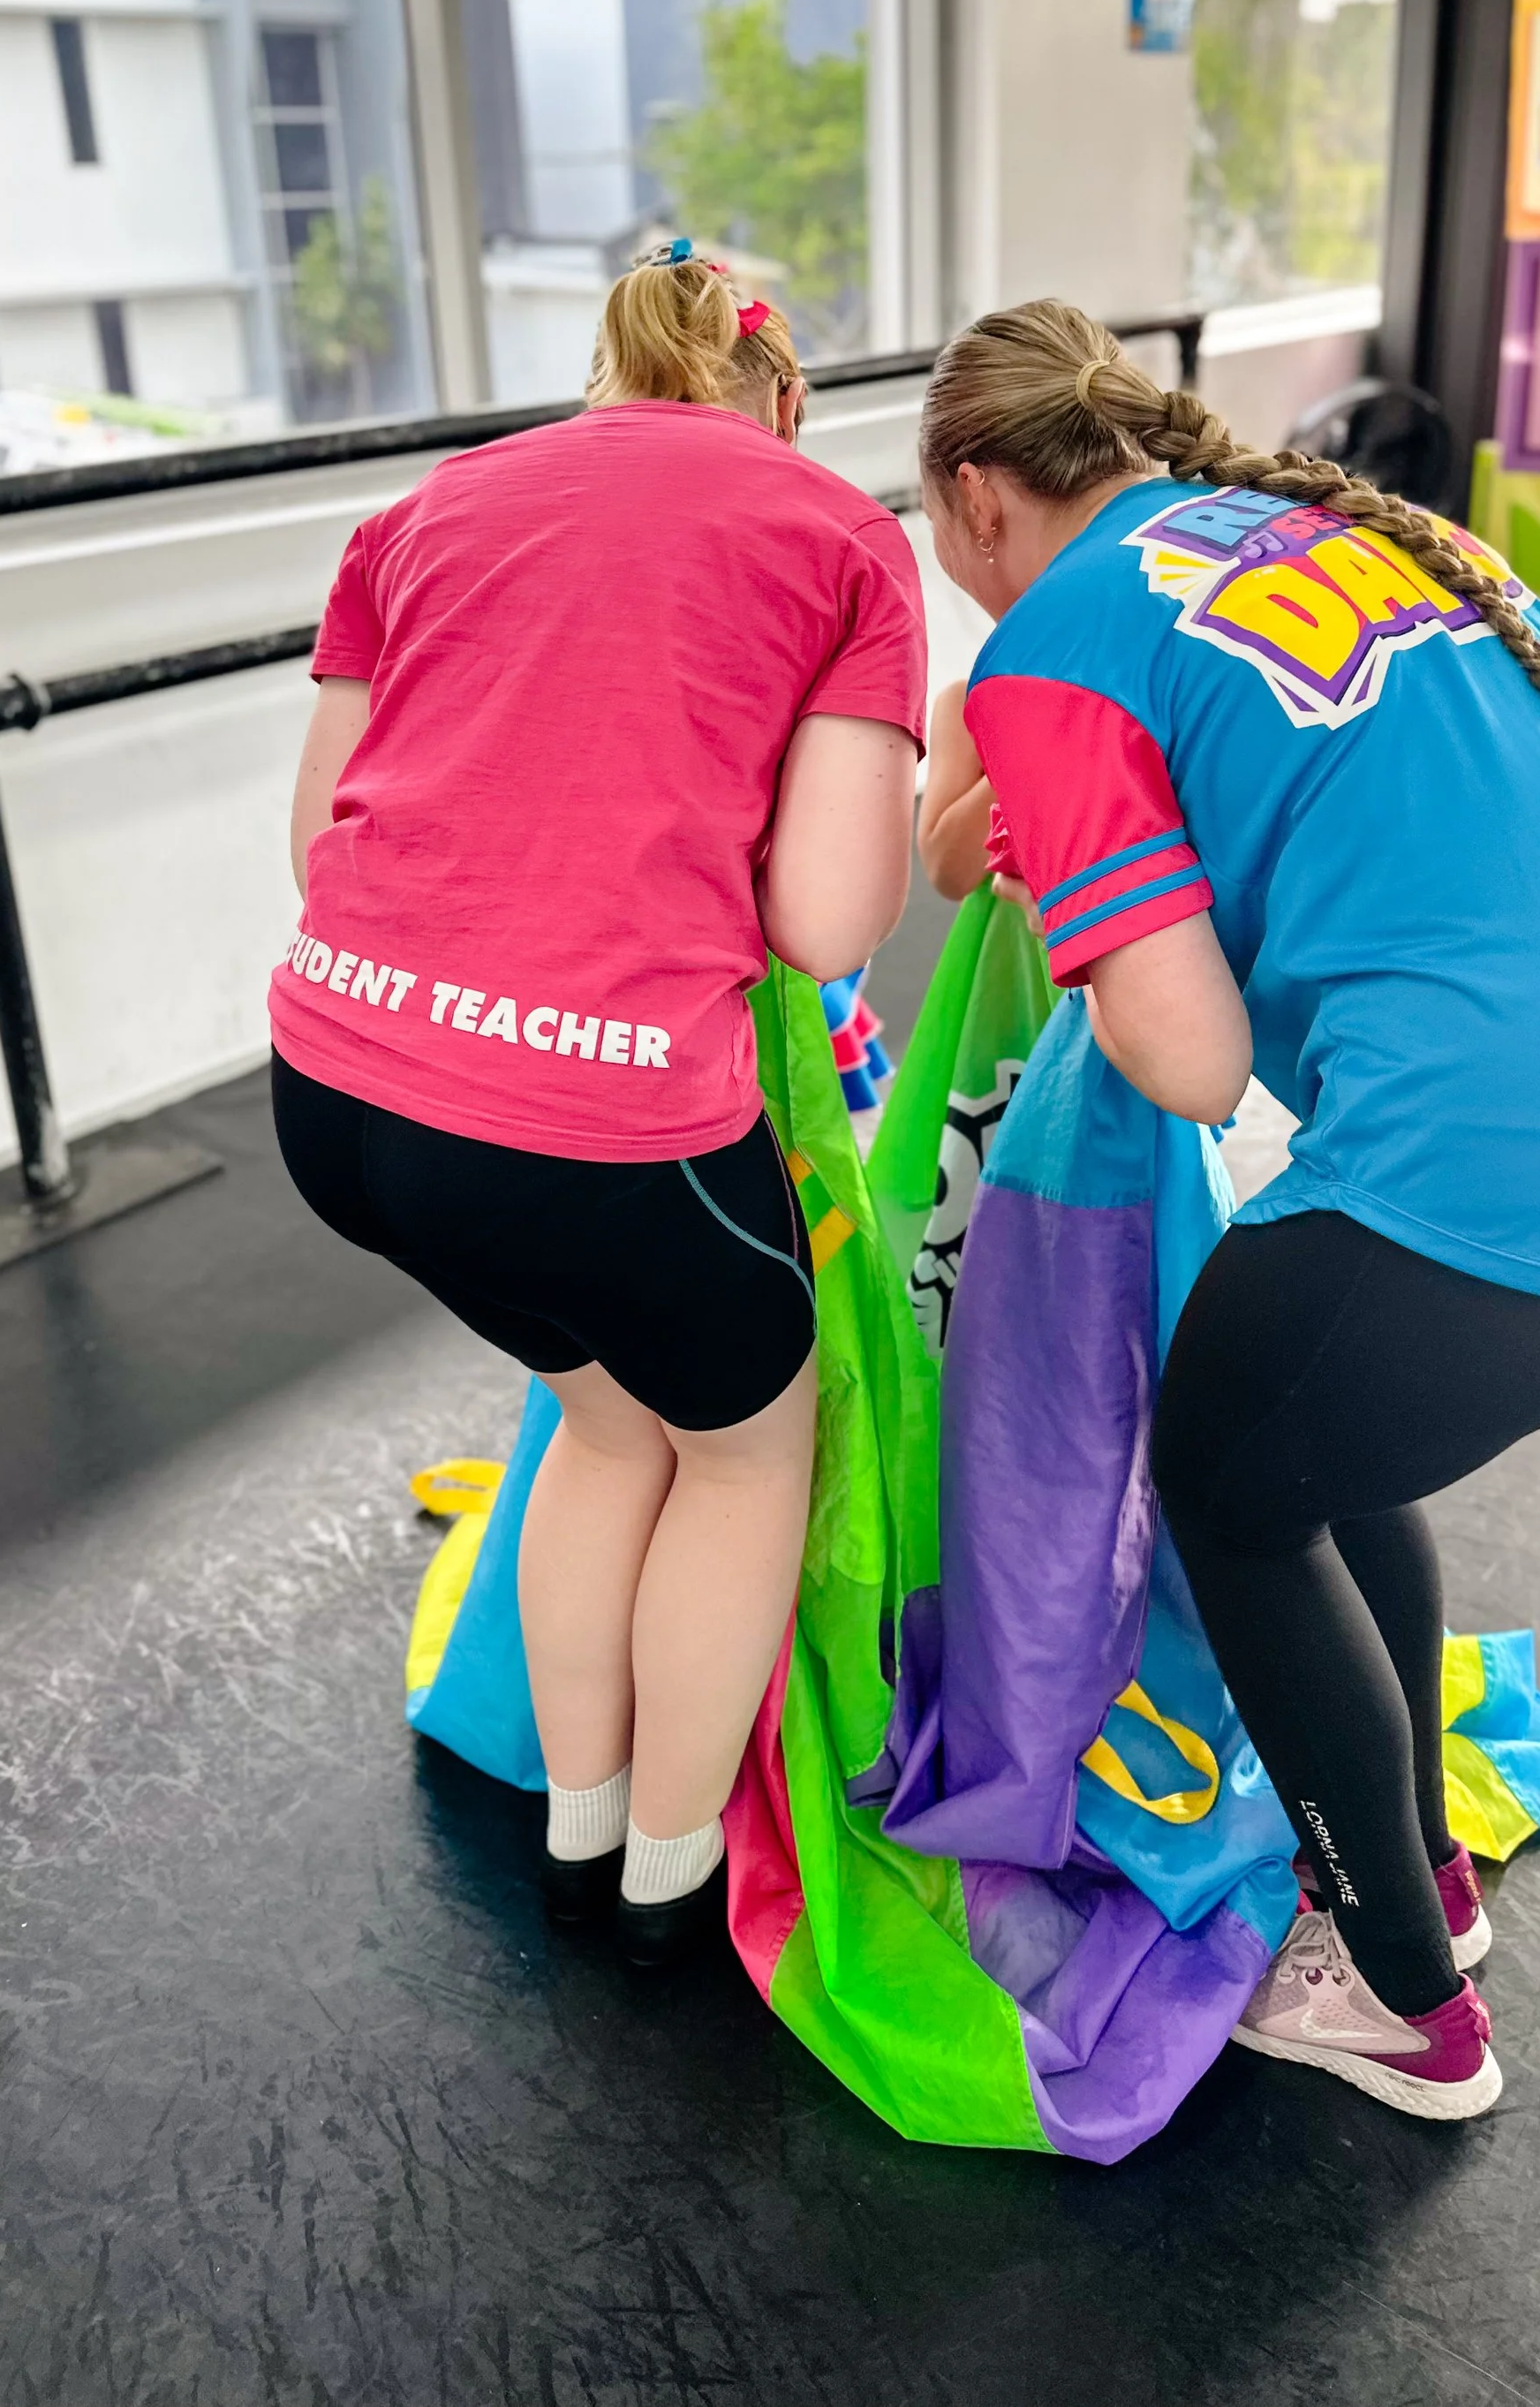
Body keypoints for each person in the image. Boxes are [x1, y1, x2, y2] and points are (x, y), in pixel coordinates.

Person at [917, 297, 1540, 2119]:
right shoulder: (1354, 528)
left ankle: (1403, 2004)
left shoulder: (1053, 648)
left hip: (1520, 1157)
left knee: (1225, 1469)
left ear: (971, 497)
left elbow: (1182, 1063)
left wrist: (1106, 921)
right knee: (1316, 1430)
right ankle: (1412, 1869)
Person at [272, 245, 925, 1963]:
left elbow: (319, 842)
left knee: (605, 1420)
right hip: (597, 1130)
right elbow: (825, 921)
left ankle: (568, 1821)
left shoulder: (422, 510)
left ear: (607, 366)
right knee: (738, 1454)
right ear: (783, 403)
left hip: (334, 1093)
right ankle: (666, 1868)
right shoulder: (838, 533)